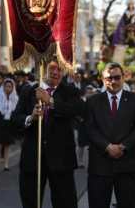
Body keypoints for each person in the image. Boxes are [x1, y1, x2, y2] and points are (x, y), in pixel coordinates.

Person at [11, 60, 83, 208]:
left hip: (62, 159)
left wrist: (50, 101)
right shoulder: (29, 90)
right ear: (42, 70)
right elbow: (16, 118)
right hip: (33, 158)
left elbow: (76, 111)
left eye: (59, 69)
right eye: (52, 68)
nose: (56, 72)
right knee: (30, 201)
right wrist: (31, 118)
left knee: (65, 202)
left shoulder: (70, 91)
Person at [85, 62, 135, 208]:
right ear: (102, 79)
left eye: (117, 77)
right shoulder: (92, 101)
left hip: (127, 165)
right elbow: (89, 128)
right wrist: (107, 147)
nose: (113, 81)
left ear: (123, 78)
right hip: (100, 165)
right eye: (109, 78)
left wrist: (123, 147)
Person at [0, 78, 19, 171]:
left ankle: (6, 164)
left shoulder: (15, 98)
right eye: (6, 86)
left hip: (8, 123)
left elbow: (16, 112)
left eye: (10, 86)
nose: (8, 88)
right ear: (3, 86)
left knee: (7, 144)